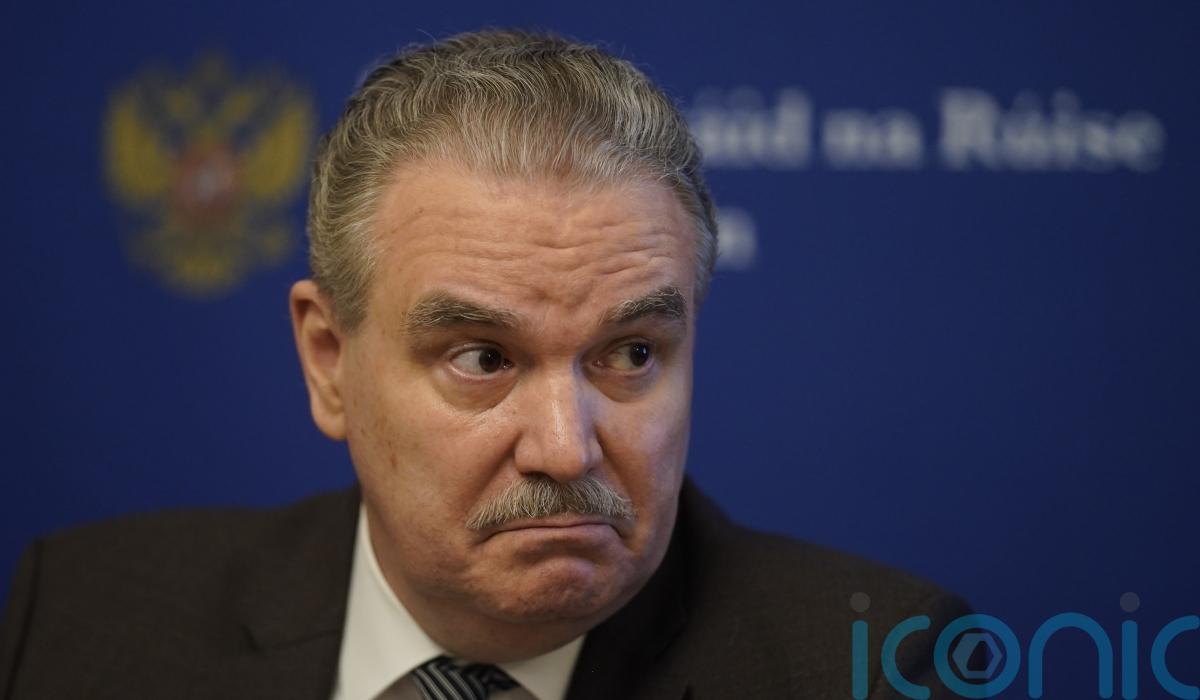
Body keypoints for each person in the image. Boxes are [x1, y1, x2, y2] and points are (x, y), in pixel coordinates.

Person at [1, 30, 970, 699]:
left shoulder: (877, 667)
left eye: (632, 354)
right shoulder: (83, 620)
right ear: (329, 361)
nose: (565, 448)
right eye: (483, 358)